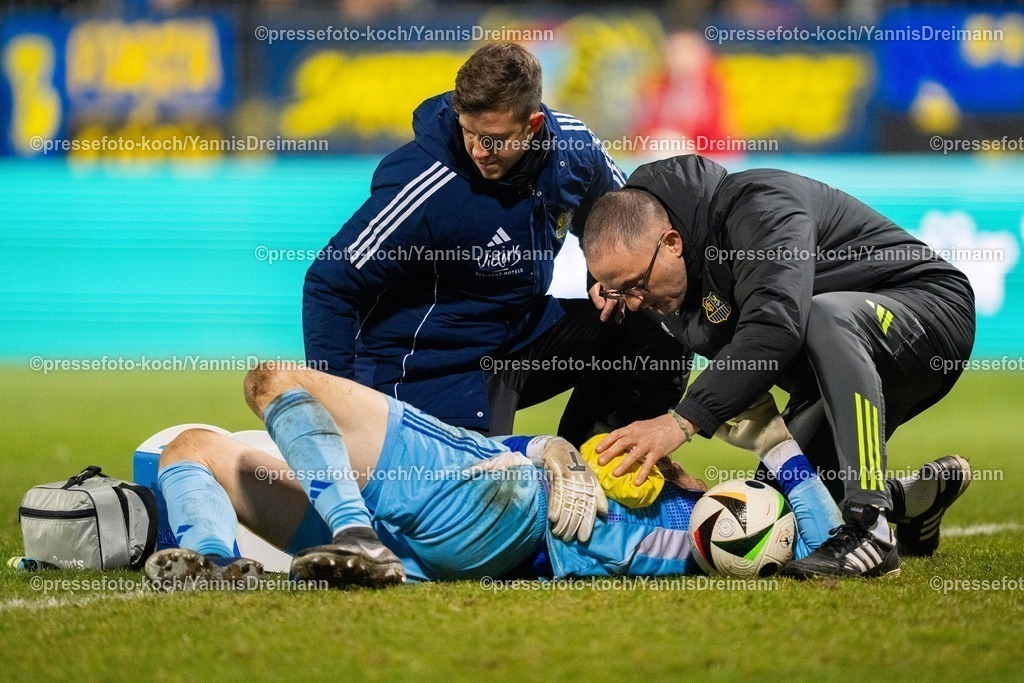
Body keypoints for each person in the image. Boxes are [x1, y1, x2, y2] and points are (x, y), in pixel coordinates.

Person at [143, 363, 953, 590]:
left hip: (485, 494)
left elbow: (808, 542)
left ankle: (353, 529)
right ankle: (216, 565)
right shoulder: (687, 515)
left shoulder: (705, 532)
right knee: (194, 450)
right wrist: (563, 452)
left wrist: (778, 447)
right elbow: (812, 540)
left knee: (275, 382)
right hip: (435, 547)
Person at [580, 154, 975, 578]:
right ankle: (913, 504)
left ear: (672, 242)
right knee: (774, 516)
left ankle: (870, 525)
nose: (635, 301)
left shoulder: (760, 205)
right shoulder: (663, 279)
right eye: (620, 291)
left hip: (926, 314)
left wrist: (681, 422)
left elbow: (775, 327)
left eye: (636, 284)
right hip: (832, 376)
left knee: (827, 316)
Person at [302, 42, 684, 444]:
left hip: (520, 336)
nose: (478, 151)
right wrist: (338, 407)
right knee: (483, 496)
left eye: (494, 139)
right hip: (429, 368)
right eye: (469, 132)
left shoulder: (573, 152)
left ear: (533, 125)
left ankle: (604, 460)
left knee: (652, 323)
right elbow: (329, 283)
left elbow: (625, 224)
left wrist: (608, 282)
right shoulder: (423, 182)